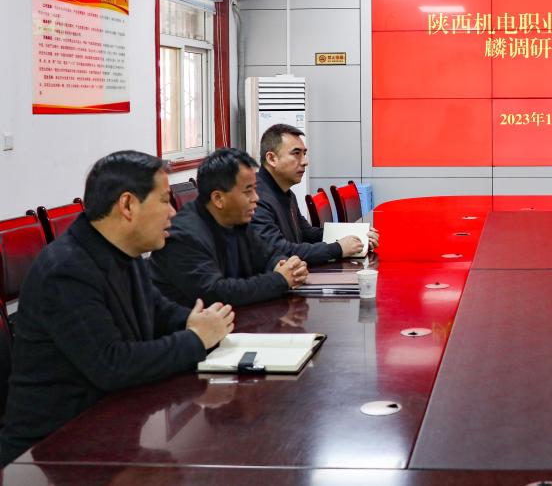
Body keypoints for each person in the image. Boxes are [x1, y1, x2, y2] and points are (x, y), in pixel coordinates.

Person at [0, 151, 234, 465]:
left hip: (106, 429)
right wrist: (196, 339)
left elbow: (159, 312)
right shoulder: (66, 270)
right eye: (164, 201)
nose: (172, 212)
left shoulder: (125, 251)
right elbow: (113, 365)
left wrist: (202, 322)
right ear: (127, 205)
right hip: (50, 451)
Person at [150, 148, 308, 307]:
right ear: (218, 198)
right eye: (248, 191)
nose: (256, 198)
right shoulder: (184, 236)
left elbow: (267, 256)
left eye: (255, 189)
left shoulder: (237, 220)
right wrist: (280, 279)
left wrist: (286, 266)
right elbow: (217, 292)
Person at [251, 124, 378, 266]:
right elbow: (279, 250)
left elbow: (307, 233)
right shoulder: (255, 198)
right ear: (272, 158)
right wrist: (338, 248)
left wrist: (356, 235)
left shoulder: (286, 192)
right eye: (296, 153)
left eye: (304, 154)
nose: (305, 161)